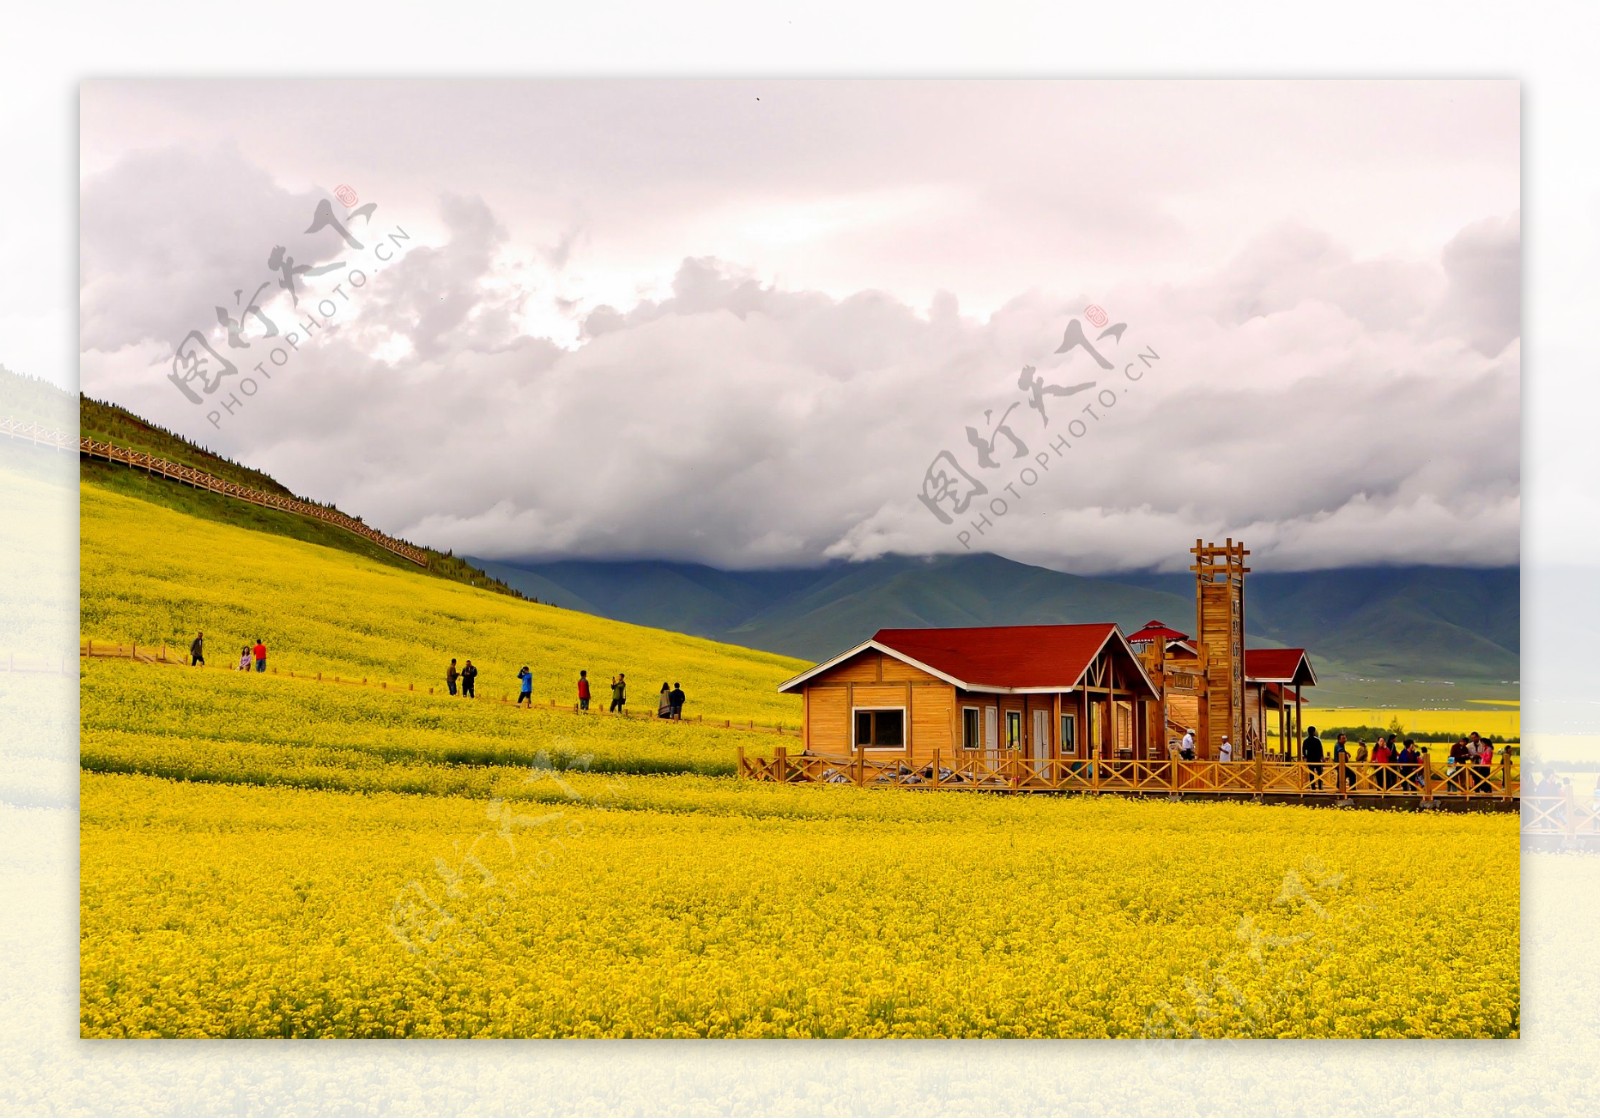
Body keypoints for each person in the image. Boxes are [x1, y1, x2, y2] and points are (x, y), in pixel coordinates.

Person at [1303, 725, 1324, 790]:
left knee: (1311, 774)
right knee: (1319, 773)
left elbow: (1303, 750)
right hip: (1317, 759)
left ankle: (1313, 787)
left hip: (1310, 759)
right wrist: (1322, 757)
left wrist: (1306, 757)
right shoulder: (1317, 740)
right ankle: (1320, 787)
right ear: (1314, 732)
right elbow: (1321, 750)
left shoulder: (1306, 741)